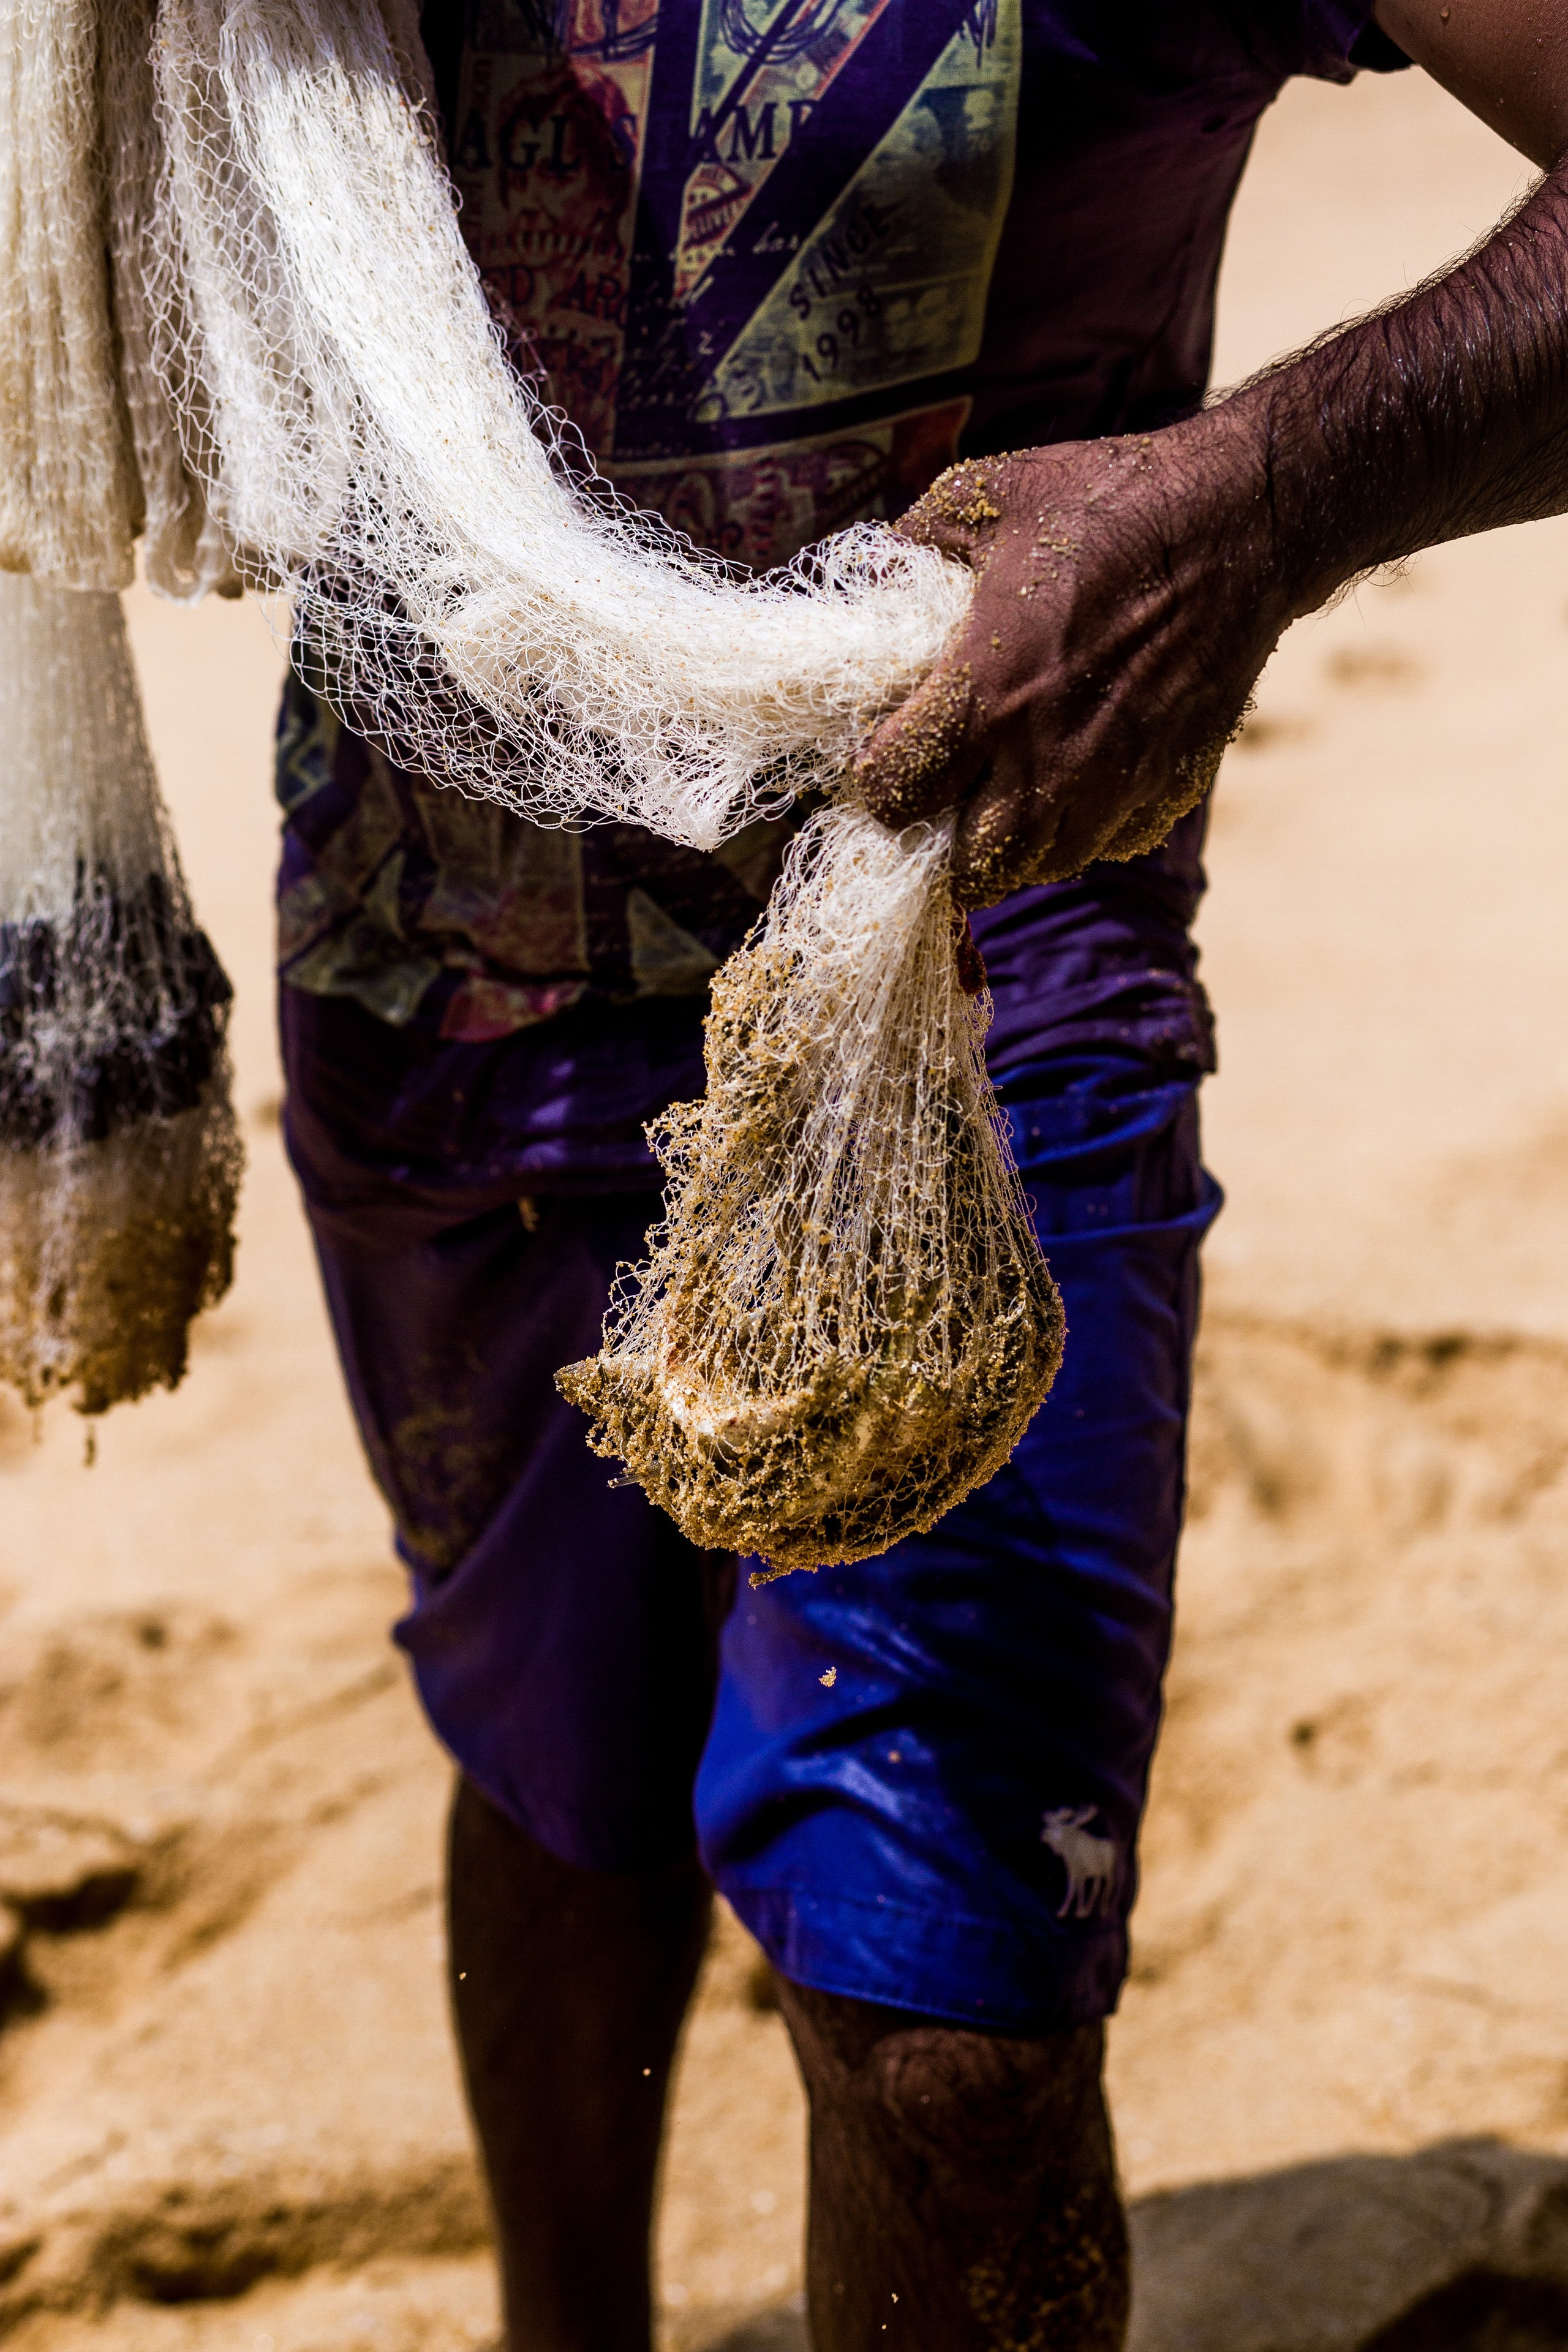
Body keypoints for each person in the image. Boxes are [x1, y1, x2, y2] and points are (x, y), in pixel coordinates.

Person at [274, 2, 1568, 2343]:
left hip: (964, 959)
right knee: (552, 1765)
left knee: (947, 2016)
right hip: (426, 934)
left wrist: (1255, 504)